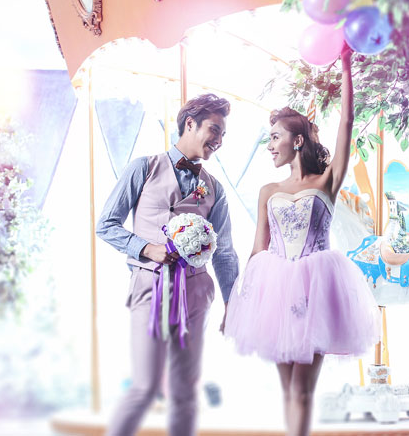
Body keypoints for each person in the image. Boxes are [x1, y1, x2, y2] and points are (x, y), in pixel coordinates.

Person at [223, 48, 380, 436]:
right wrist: (237, 302)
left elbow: (347, 122)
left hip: (317, 289)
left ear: (297, 141)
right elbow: (258, 249)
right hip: (274, 290)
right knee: (287, 390)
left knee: (302, 389)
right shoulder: (268, 190)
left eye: (274, 137)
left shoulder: (326, 181)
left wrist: (346, 66)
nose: (269, 145)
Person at [96, 93, 240, 436]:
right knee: (144, 387)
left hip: (197, 291)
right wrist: (146, 248)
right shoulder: (143, 167)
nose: (219, 140)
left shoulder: (215, 188)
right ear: (190, 123)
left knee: (186, 393)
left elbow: (224, 252)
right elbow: (106, 225)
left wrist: (233, 303)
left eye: (223, 134)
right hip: (150, 286)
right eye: (214, 130)